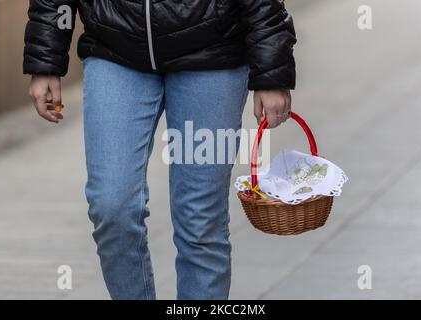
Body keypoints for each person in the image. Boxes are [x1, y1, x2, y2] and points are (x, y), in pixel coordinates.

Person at [23, 0, 297, 300]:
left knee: (201, 222)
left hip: (214, 53)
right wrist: (46, 59)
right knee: (112, 206)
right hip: (115, 48)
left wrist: (272, 71)